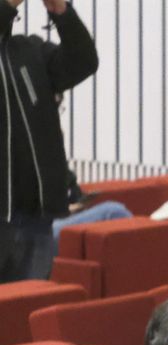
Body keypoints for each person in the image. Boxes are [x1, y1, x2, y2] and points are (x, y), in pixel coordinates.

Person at [0, 0, 97, 282]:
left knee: (25, 314)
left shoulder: (29, 51)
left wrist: (60, 10)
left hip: (35, 218)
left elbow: (83, 61)